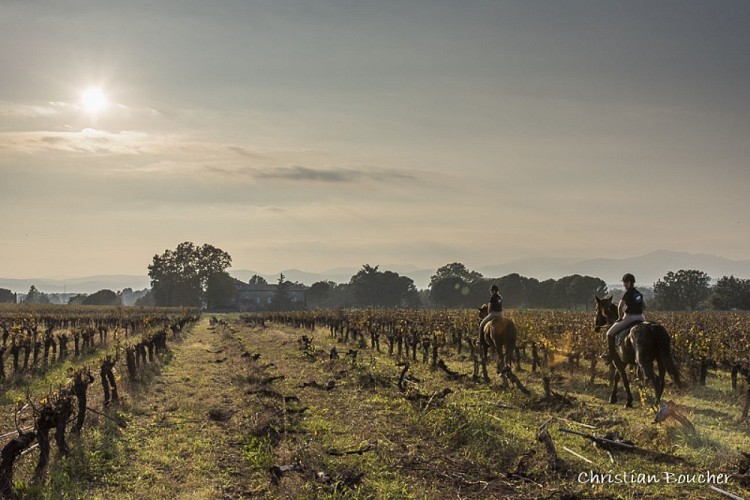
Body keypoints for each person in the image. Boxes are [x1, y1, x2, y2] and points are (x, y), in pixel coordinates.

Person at [605, 273, 645, 359]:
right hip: (641, 317)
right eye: (624, 282)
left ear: (630, 282)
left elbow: (620, 306)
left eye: (625, 282)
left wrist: (620, 317)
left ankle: (611, 355)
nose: (624, 284)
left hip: (630, 318)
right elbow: (644, 306)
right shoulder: (638, 293)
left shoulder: (628, 293)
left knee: (609, 333)